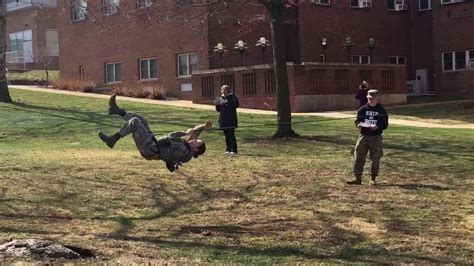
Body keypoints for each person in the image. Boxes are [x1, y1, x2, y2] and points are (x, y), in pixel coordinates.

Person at [98, 95, 212, 172]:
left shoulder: (184, 150)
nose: (195, 139)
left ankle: (113, 139)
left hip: (149, 149)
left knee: (135, 122)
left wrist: (184, 133)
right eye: (197, 139)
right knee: (143, 120)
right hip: (153, 143)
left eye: (197, 142)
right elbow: (195, 132)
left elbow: (171, 136)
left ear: (196, 149)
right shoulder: (188, 148)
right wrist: (204, 126)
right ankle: (116, 110)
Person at [347, 89, 389, 185]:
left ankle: (373, 178)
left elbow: (385, 124)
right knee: (358, 156)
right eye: (368, 98)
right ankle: (357, 178)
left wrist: (377, 127)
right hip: (363, 136)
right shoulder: (362, 109)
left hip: (376, 137)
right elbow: (357, 121)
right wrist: (358, 125)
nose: (370, 100)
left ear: (377, 99)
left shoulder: (382, 110)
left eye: (372, 98)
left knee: (375, 158)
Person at [215, 84, 239, 155]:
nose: (223, 91)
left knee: (231, 134)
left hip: (231, 119)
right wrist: (217, 104)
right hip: (223, 119)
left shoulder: (233, 97)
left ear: (228, 90)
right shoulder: (219, 98)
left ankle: (234, 150)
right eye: (222, 90)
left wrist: (227, 101)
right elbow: (218, 110)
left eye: (225, 90)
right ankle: (228, 149)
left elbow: (237, 105)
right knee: (226, 135)